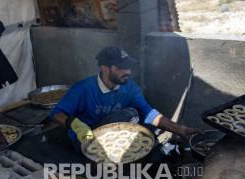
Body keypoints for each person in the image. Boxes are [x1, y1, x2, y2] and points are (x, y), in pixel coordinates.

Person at [50, 46, 199, 153]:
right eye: (121, 67)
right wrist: (74, 124)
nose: (127, 72)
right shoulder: (83, 88)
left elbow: (148, 113)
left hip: (107, 133)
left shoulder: (129, 87)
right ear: (104, 68)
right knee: (130, 115)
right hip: (85, 138)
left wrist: (179, 129)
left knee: (134, 115)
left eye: (129, 67)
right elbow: (56, 113)